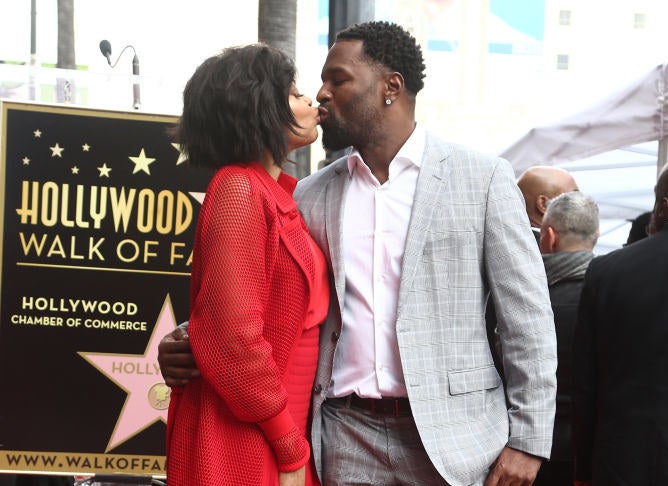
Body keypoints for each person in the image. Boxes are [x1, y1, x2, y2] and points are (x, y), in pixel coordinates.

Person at [160, 22, 557, 486]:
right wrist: (188, 341)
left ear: (391, 86)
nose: (322, 94)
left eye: (338, 79)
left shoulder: (483, 179)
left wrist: (529, 439)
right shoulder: (308, 195)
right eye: (316, 83)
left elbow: (527, 319)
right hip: (341, 437)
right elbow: (260, 295)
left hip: (456, 441)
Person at [164, 44, 329, 486]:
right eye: (294, 94)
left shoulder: (278, 195)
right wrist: (289, 445)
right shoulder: (239, 189)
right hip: (247, 433)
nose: (311, 100)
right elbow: (234, 339)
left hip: (274, 426)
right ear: (259, 109)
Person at [572, 167, 668, 485]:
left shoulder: (607, 272)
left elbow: (585, 384)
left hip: (624, 461)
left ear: (664, 207)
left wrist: (582, 469)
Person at [531, 192, 599, 486]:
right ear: (596, 236)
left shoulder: (528, 297)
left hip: (532, 446)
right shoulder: (613, 293)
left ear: (548, 237)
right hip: (594, 447)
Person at [517, 166, 579, 241]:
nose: (580, 204)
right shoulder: (549, 249)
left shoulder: (514, 242)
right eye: (574, 196)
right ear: (543, 204)